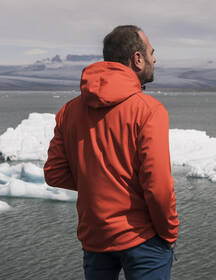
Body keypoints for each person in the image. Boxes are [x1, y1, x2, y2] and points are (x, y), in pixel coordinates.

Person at [44, 25, 179, 279]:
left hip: (95, 238)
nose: (155, 59)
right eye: (152, 52)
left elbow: (54, 173)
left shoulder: (69, 111)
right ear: (137, 59)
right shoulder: (149, 110)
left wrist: (98, 183)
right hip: (143, 240)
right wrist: (169, 233)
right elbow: (158, 185)